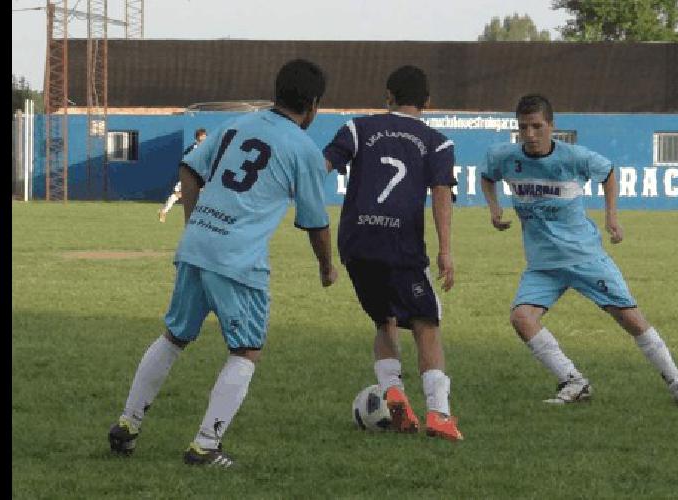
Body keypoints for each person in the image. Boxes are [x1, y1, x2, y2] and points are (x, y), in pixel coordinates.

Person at [108, 59, 337, 467]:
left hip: (197, 245)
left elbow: (189, 168)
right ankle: (205, 445)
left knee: (173, 337)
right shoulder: (304, 149)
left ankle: (128, 423)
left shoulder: (236, 125)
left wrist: (195, 220)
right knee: (246, 350)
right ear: (314, 104)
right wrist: (326, 267)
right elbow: (316, 223)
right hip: (237, 258)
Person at [480, 94, 678, 406]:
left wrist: (611, 216)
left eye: (536, 126)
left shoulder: (574, 157)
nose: (530, 135)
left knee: (631, 319)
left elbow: (609, 173)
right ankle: (573, 382)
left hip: (584, 257)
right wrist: (494, 208)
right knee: (522, 318)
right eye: (523, 128)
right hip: (543, 264)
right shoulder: (504, 156)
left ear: (551, 126)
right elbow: (487, 176)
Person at [322, 65, 463, 441]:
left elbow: (322, 165)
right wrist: (446, 250)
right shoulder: (437, 142)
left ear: (388, 96)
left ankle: (393, 391)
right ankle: (439, 414)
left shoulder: (358, 128)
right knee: (426, 325)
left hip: (356, 243)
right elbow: (441, 194)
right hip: (401, 245)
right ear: (427, 102)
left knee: (383, 320)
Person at [159, 128, 208, 223]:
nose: (204, 142)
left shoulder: (206, 150)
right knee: (178, 194)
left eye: (205, 139)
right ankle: (163, 211)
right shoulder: (191, 150)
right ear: (196, 140)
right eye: (202, 140)